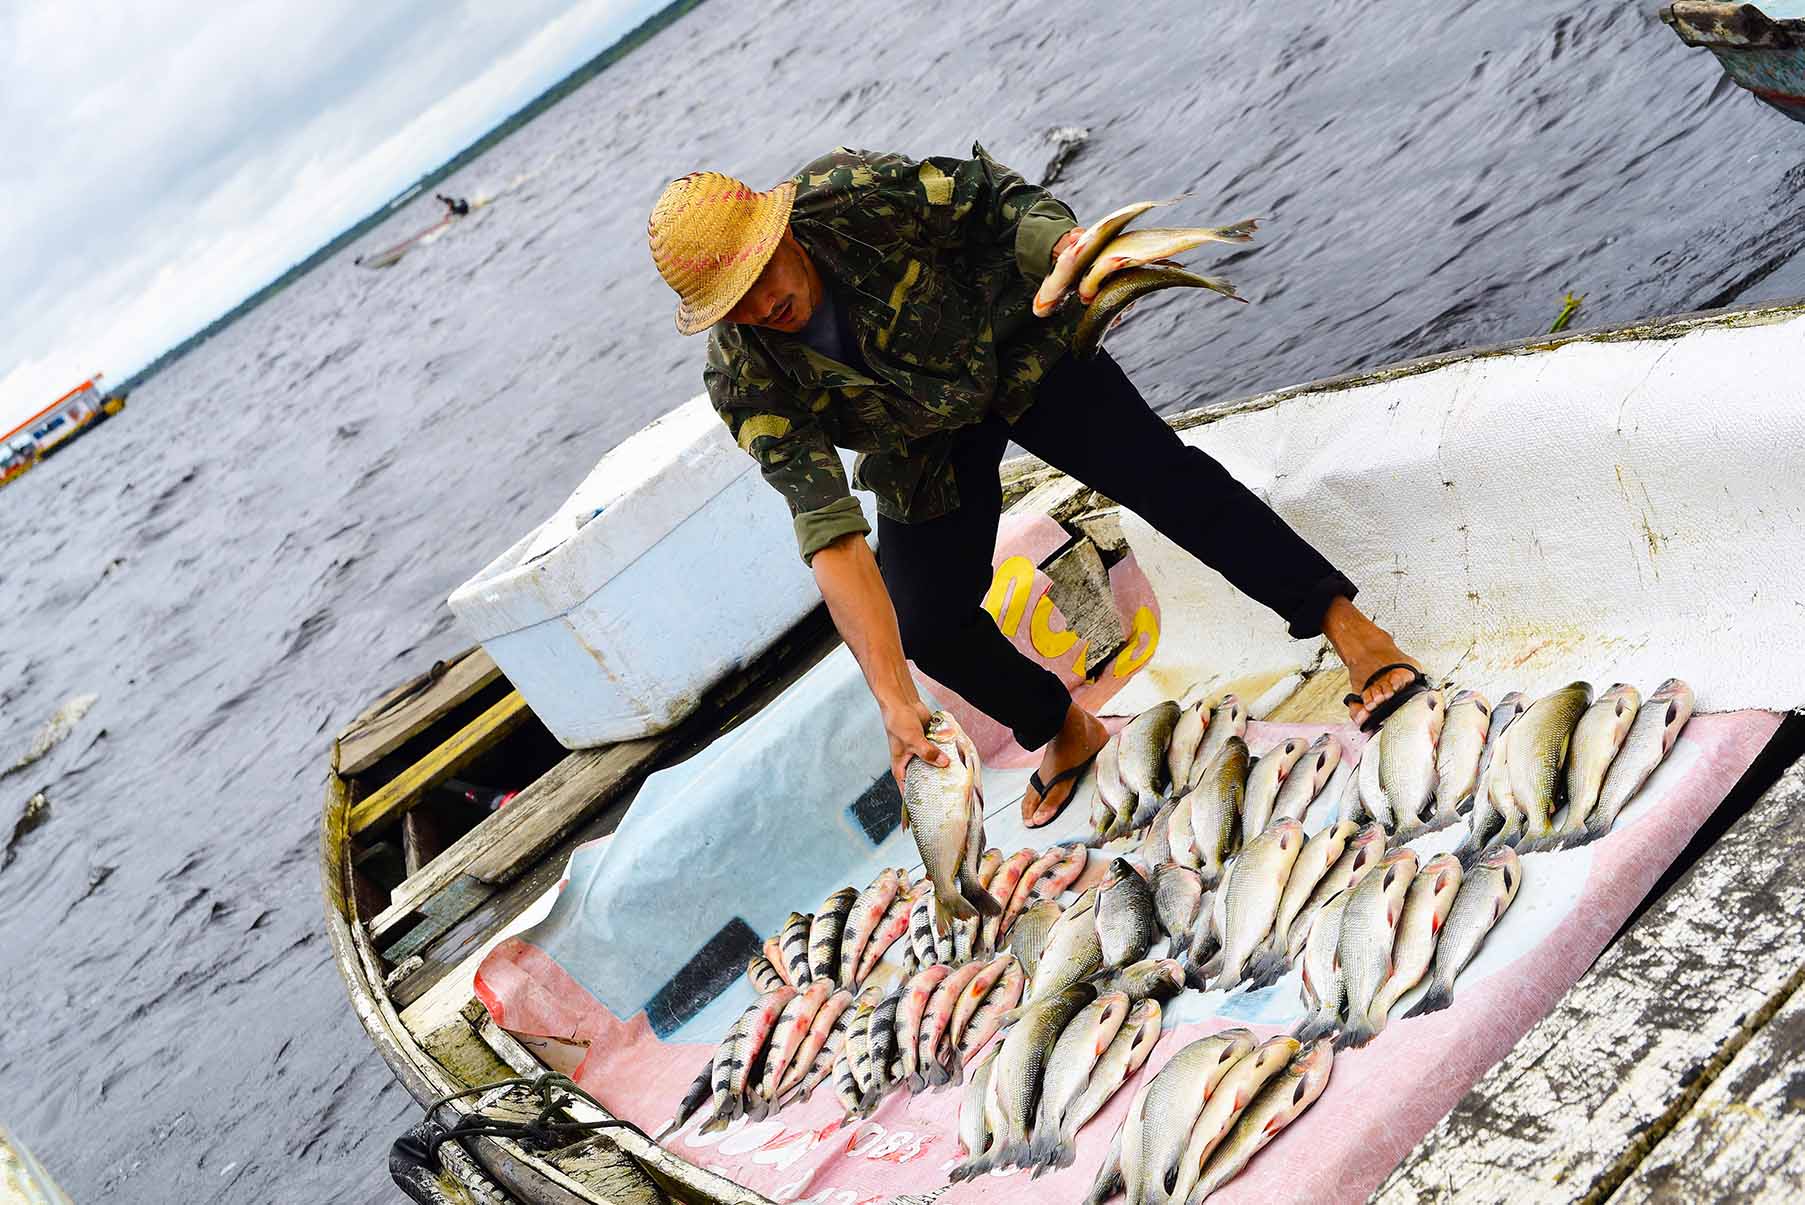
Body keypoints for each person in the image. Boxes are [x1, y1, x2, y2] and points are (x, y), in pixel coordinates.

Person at [647, 145, 1428, 826]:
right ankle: (1062, 726)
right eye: (733, 303)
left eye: (759, 275)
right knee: (925, 622)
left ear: (778, 229)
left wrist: (1064, 246)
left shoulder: (855, 192)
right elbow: (828, 530)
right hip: (917, 442)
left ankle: (1347, 627)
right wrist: (892, 698)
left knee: (1163, 478)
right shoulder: (746, 376)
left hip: (1019, 351)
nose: (761, 306)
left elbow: (996, 203)